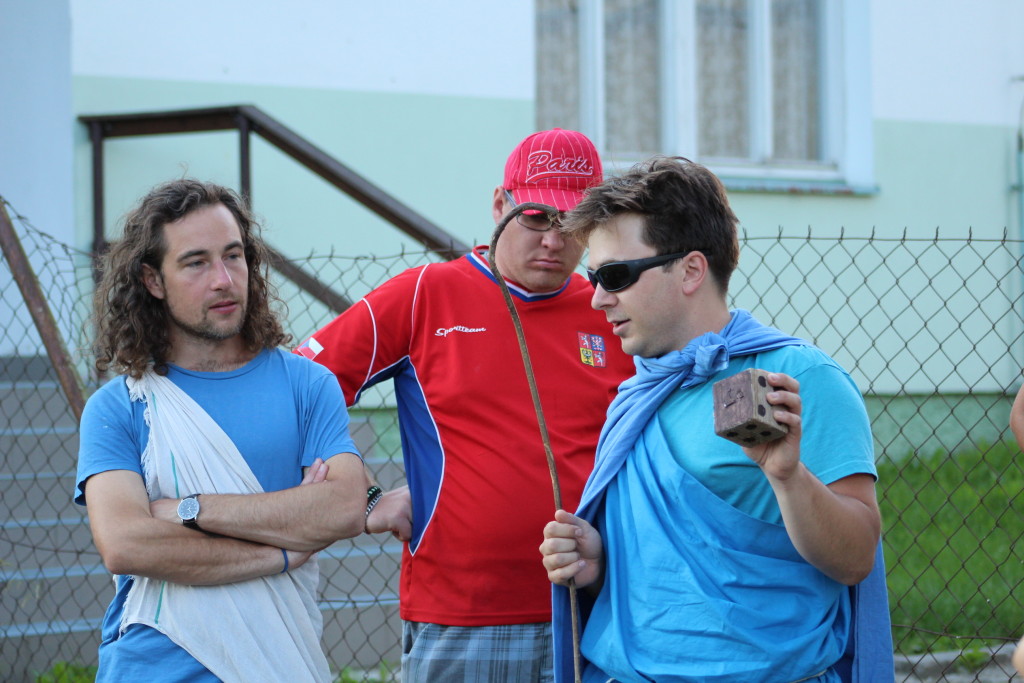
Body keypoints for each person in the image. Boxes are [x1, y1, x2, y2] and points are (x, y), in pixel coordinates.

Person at [296, 128, 635, 681]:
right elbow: (299, 390)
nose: (554, 240)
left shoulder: (613, 310)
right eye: (536, 217)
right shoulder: (425, 293)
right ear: (500, 204)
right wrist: (366, 495)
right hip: (465, 618)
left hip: (596, 608)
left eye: (572, 222)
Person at [539, 156, 894, 682]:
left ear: (690, 270)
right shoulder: (636, 394)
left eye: (615, 275)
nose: (597, 298)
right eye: (594, 277)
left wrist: (788, 477)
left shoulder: (798, 377)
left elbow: (857, 557)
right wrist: (601, 565)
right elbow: (674, 565)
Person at [76, 179, 409, 683]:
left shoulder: (306, 385)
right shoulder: (121, 405)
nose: (223, 279)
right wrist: (281, 553)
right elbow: (127, 544)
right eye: (196, 263)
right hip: (154, 665)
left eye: (233, 256)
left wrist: (189, 510)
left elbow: (344, 505)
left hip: (281, 660)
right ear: (153, 280)